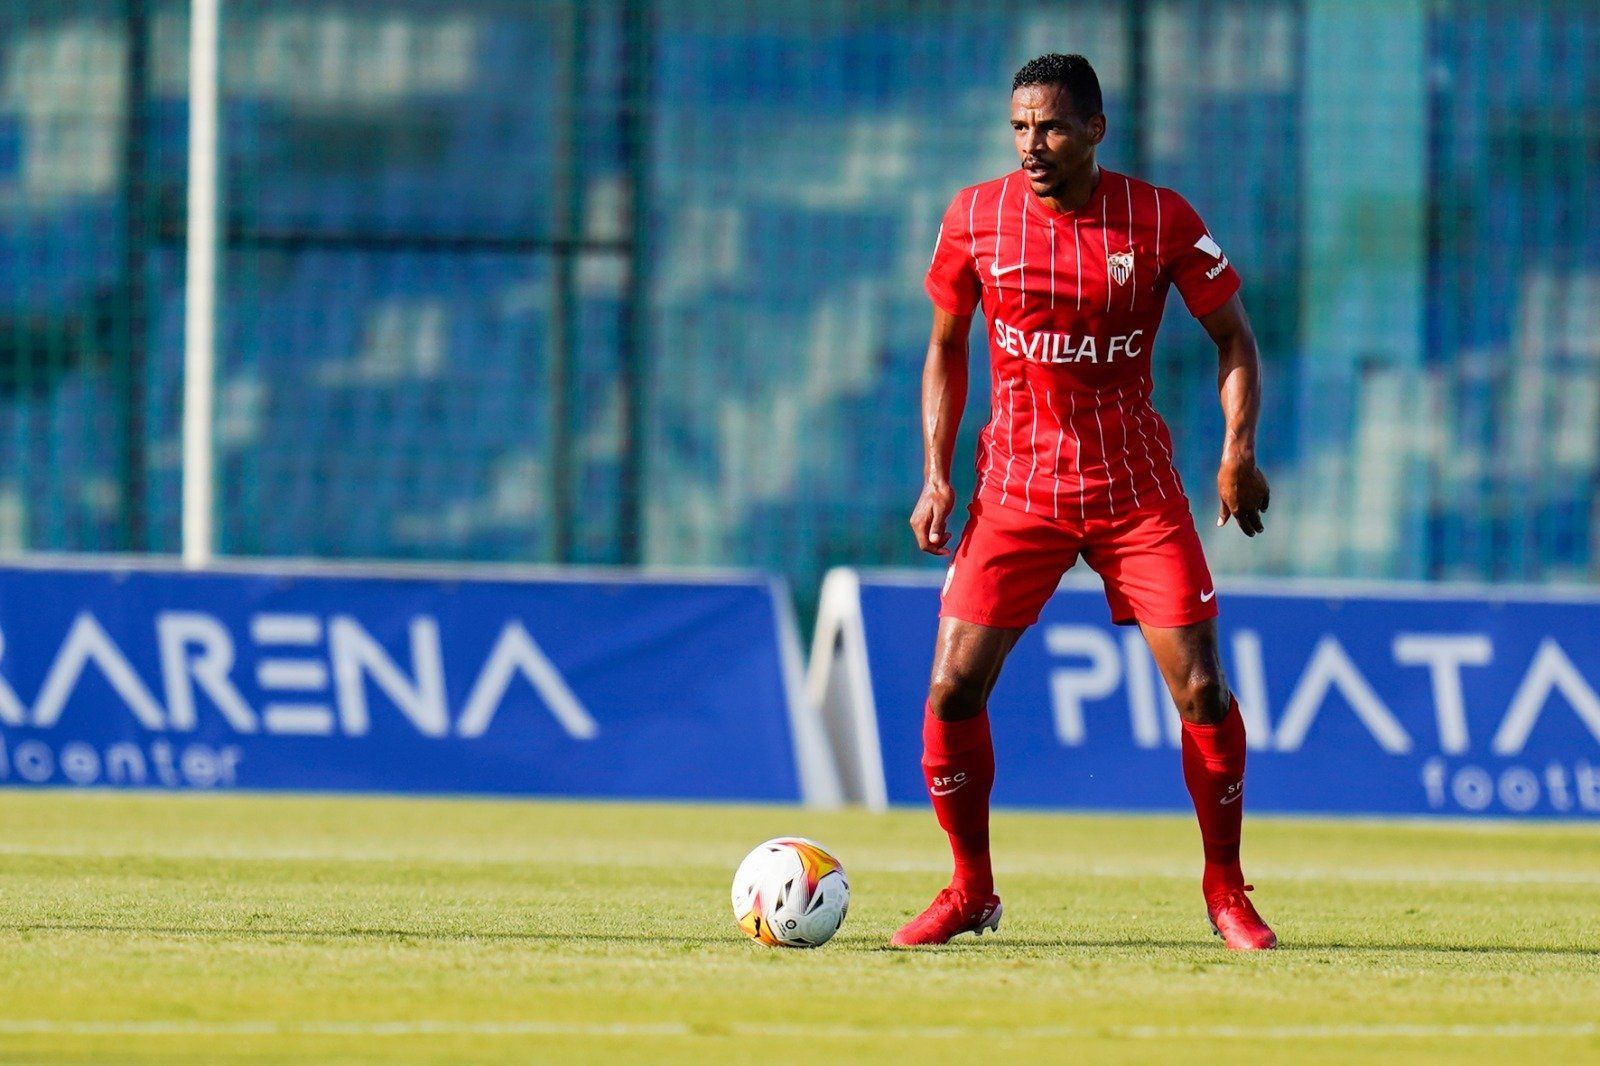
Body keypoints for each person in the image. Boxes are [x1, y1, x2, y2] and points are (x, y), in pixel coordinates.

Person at [894, 53, 1275, 951]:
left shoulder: (1162, 218)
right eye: (1020, 127)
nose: (1032, 144)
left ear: (1096, 130)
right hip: (1016, 488)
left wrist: (1238, 454)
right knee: (951, 688)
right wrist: (937, 474)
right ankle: (970, 889)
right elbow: (946, 346)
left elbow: (1234, 339)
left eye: (1053, 127)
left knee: (1202, 690)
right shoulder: (974, 216)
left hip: (1134, 490)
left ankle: (1226, 889)